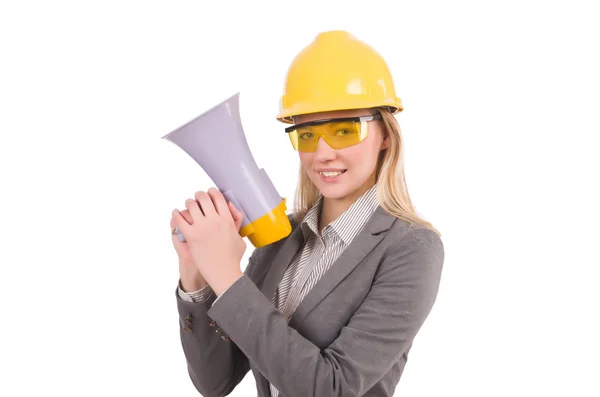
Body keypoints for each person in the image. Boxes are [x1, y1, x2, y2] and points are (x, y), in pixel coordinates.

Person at [170, 30, 445, 397]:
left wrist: (227, 275)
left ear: (386, 137)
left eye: (345, 129)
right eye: (307, 134)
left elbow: (333, 388)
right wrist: (197, 276)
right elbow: (216, 380)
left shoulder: (412, 248)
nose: (323, 153)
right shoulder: (282, 236)